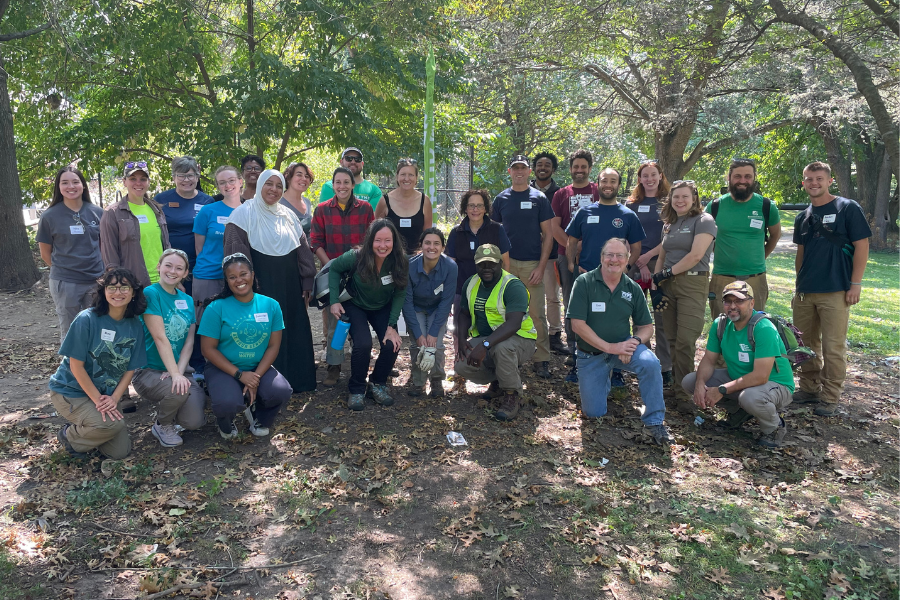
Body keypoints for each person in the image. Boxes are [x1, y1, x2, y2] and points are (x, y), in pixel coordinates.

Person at [567, 238, 674, 445]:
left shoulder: (632, 288)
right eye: (609, 255)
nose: (614, 260)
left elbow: (646, 327)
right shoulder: (584, 282)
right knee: (594, 413)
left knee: (651, 363)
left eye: (620, 256)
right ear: (601, 258)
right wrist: (610, 348)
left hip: (624, 346)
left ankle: (655, 421)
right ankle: (602, 379)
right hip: (591, 354)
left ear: (627, 260)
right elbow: (577, 325)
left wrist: (633, 342)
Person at [223, 169, 317, 393]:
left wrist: (306, 281)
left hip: (289, 285)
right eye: (269, 184)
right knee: (263, 331)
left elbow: (303, 251)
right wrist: (245, 289)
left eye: (278, 186)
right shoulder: (242, 215)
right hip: (259, 286)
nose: (273, 190)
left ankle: (297, 381)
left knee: (291, 329)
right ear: (260, 185)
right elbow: (236, 259)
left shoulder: (287, 215)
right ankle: (265, 385)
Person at [791, 161, 871, 417]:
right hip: (805, 292)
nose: (814, 183)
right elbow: (801, 254)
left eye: (819, 178)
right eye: (809, 179)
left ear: (829, 180)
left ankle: (830, 397)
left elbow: (862, 245)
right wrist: (798, 285)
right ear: (803, 183)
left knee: (833, 347)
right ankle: (808, 388)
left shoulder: (847, 208)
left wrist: (855, 283)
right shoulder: (802, 216)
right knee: (804, 344)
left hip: (836, 290)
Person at [50, 268, 148, 459]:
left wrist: (114, 399)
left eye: (124, 287)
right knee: (111, 425)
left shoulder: (135, 325)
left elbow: (130, 368)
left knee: (119, 452)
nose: (117, 293)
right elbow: (75, 366)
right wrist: (98, 401)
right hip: (71, 391)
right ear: (103, 291)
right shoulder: (86, 319)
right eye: (112, 287)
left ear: (134, 292)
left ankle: (91, 430)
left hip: (106, 395)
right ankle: (69, 436)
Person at [682, 281, 794, 447]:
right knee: (690, 381)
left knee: (750, 397)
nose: (732, 306)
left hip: (776, 384)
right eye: (728, 301)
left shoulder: (763, 328)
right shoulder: (720, 324)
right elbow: (709, 360)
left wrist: (721, 389)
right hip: (740, 378)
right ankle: (739, 412)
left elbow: (761, 376)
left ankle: (774, 427)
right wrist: (700, 384)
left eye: (739, 301)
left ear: (752, 303)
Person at [565, 167, 645, 387]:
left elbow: (636, 247)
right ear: (597, 184)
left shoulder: (627, 215)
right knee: (578, 321)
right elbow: (571, 241)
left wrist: (625, 268)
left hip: (614, 280)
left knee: (615, 321)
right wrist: (572, 264)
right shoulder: (585, 212)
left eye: (613, 181)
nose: (608, 185)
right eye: (604, 181)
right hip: (587, 278)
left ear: (619, 185)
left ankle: (617, 367)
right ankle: (576, 361)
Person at [199, 253, 292, 438]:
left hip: (257, 367)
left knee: (280, 391)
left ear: (252, 274)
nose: (239, 280)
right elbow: (207, 349)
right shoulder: (216, 308)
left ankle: (260, 418)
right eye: (232, 277)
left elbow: (273, 346)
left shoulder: (270, 305)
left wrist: (254, 377)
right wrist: (240, 375)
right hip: (223, 368)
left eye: (243, 274)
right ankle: (225, 422)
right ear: (226, 280)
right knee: (227, 403)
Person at [328, 219, 408, 410]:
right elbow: (334, 269)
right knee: (363, 344)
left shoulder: (400, 260)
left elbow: (400, 293)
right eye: (378, 240)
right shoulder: (355, 256)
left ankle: (377, 383)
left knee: (392, 343)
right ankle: (356, 389)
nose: (382, 246)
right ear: (370, 240)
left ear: (394, 241)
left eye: (387, 240)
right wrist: (334, 300)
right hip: (355, 304)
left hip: (382, 306)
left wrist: (391, 326)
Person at [651, 180, 717, 414]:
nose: (679, 200)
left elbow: (696, 254)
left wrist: (667, 272)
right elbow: (663, 253)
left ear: (694, 198)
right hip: (667, 284)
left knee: (686, 340)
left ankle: (684, 393)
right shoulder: (669, 223)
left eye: (684, 197)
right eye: (675, 197)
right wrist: (656, 282)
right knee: (670, 338)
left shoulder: (704, 221)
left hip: (692, 283)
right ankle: (677, 387)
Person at [132, 249, 207, 447]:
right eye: (168, 265)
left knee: (194, 422)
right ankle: (162, 424)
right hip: (149, 370)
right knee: (179, 391)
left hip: (178, 370)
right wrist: (174, 374)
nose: (172, 271)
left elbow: (189, 342)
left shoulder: (187, 300)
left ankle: (174, 407)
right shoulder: (151, 293)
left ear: (185, 273)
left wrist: (178, 372)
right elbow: (159, 337)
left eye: (179, 268)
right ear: (159, 267)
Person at [454, 244, 537, 421]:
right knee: (460, 365)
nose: (486, 268)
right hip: (488, 339)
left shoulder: (512, 285)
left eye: (491, 264)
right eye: (482, 264)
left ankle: (512, 394)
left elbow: (514, 324)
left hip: (521, 339)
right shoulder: (471, 283)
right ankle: (500, 380)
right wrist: (461, 339)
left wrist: (484, 345)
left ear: (500, 263)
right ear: (476, 265)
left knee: (502, 349)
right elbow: (464, 314)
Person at [310, 167, 375, 386]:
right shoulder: (322, 210)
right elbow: (316, 242)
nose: (342, 186)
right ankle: (334, 367)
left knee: (358, 323)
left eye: (346, 182)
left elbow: (371, 241)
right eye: (338, 182)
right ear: (332, 185)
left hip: (360, 275)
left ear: (352, 184)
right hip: (332, 274)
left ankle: (359, 367)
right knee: (333, 325)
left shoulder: (365, 209)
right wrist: (331, 266)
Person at [491, 154, 555, 379]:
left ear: (529, 172)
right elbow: (494, 234)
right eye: (515, 168)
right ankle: (510, 356)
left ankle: (542, 359)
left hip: (532, 265)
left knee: (537, 313)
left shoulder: (540, 198)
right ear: (509, 171)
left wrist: (541, 266)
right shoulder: (500, 200)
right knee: (506, 313)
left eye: (523, 168)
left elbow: (548, 235)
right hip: (506, 267)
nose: (519, 171)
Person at [706, 158, 781, 318]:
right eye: (737, 176)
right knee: (722, 328)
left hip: (755, 279)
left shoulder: (766, 206)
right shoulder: (714, 207)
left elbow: (775, 235)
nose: (742, 181)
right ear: (729, 178)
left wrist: (760, 258)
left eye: (748, 176)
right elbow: (706, 239)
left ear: (754, 178)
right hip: (722, 278)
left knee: (753, 327)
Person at [37, 167, 105, 339]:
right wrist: (68, 270)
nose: (71, 186)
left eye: (75, 181)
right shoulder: (49, 216)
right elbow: (46, 254)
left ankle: (94, 365)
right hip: (65, 283)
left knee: (97, 327)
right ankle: (70, 366)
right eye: (65, 182)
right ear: (58, 187)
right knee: (70, 331)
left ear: (83, 185)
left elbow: (105, 246)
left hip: (96, 281)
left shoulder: (98, 213)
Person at [549, 149, 599, 381]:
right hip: (565, 256)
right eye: (575, 167)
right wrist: (572, 248)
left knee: (596, 301)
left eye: (583, 167)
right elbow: (555, 227)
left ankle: (595, 346)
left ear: (590, 168)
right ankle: (573, 347)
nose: (579, 170)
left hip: (595, 258)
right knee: (570, 300)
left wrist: (585, 248)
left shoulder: (599, 191)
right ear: (570, 169)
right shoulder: (561, 194)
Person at [445, 190, 511, 363]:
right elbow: (450, 265)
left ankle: (492, 367)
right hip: (462, 290)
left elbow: (505, 261)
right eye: (471, 205)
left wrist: (503, 288)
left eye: (479, 205)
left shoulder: (497, 229)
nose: (475, 209)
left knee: (491, 327)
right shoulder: (456, 232)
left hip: (491, 290)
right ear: (465, 208)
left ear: (486, 208)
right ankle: (460, 365)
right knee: (460, 330)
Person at [625, 160, 672, 385]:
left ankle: (665, 365)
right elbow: (626, 236)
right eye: (645, 175)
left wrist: (649, 259)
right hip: (634, 263)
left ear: (660, 176)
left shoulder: (670, 202)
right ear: (640, 179)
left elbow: (671, 237)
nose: (649, 179)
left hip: (661, 264)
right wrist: (640, 262)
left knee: (662, 315)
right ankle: (642, 358)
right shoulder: (632, 203)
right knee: (636, 313)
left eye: (653, 175)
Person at [402, 228, 458, 398]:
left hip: (437, 309)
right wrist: (419, 334)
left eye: (436, 243)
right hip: (415, 308)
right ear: (421, 245)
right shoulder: (409, 265)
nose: (431, 247)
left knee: (437, 344)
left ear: (443, 247)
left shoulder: (450, 266)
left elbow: (446, 302)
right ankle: (419, 382)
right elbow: (407, 303)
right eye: (427, 243)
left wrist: (433, 333)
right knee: (419, 345)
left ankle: (436, 380)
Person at [100, 161, 172, 288]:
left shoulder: (156, 209)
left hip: (162, 281)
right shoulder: (113, 213)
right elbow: (110, 256)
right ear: (124, 181)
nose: (138, 183)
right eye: (133, 178)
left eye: (143, 179)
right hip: (132, 283)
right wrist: (118, 284)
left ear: (148, 182)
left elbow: (166, 246)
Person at [153, 156, 214, 295]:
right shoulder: (161, 200)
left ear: (197, 177)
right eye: (181, 176)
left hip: (198, 265)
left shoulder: (207, 201)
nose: (186, 180)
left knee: (195, 306)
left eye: (190, 175)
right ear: (174, 177)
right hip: (170, 266)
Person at [193, 166, 243, 321]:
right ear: (218, 186)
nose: (227, 185)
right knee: (207, 324)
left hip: (239, 277)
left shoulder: (250, 211)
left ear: (240, 182)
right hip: (209, 276)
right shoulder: (207, 211)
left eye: (231, 181)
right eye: (222, 183)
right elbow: (198, 248)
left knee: (234, 322)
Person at [531, 152, 564, 355]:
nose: (543, 167)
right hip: (526, 255)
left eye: (547, 165)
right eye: (539, 164)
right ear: (533, 168)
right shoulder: (524, 190)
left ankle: (555, 335)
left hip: (551, 254)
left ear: (553, 169)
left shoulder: (559, 193)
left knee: (552, 297)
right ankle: (529, 334)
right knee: (527, 298)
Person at [375, 158, 433, 254]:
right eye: (403, 175)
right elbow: (376, 233)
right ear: (397, 176)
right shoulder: (384, 201)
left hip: (417, 259)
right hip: (390, 258)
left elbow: (428, 235)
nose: (406, 179)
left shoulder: (425, 201)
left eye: (411, 175)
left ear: (416, 178)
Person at [318, 147, 384, 210]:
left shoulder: (374, 191)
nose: (353, 162)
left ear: (362, 164)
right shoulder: (329, 187)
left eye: (357, 159)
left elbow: (372, 218)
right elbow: (326, 215)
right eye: (348, 158)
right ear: (341, 162)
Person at [280, 162, 315, 236]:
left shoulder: (307, 202)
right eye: (299, 175)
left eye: (307, 176)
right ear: (288, 178)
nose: (304, 179)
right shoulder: (279, 202)